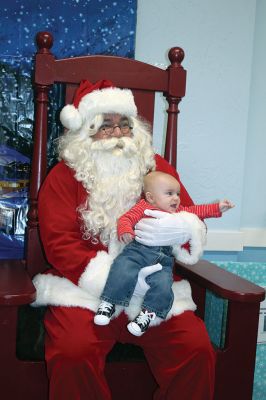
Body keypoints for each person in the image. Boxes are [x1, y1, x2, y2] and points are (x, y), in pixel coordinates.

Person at [33, 79, 218, 400]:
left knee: (195, 349)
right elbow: (59, 243)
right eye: (106, 126)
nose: (118, 134)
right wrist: (114, 280)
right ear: (86, 132)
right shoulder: (64, 176)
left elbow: (188, 216)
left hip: (153, 288)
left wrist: (185, 229)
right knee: (73, 351)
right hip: (85, 291)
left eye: (124, 124)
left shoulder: (157, 169)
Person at [94, 170, 234, 336]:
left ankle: (148, 314)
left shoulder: (179, 212)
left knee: (163, 284)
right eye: (169, 193)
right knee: (122, 267)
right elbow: (126, 219)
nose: (176, 198)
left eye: (177, 194)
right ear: (151, 197)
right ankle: (109, 303)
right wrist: (125, 230)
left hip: (163, 258)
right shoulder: (143, 207)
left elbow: (196, 211)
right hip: (138, 251)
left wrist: (217, 208)